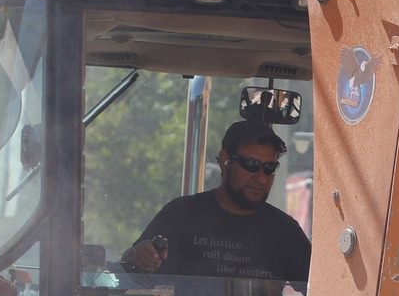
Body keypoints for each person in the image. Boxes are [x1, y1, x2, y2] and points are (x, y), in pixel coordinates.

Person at [124, 119, 311, 282]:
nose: (261, 178)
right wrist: (139, 255)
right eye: (251, 165)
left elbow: (322, 290)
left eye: (269, 168)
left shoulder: (285, 232)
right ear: (225, 161)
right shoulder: (181, 214)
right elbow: (128, 268)